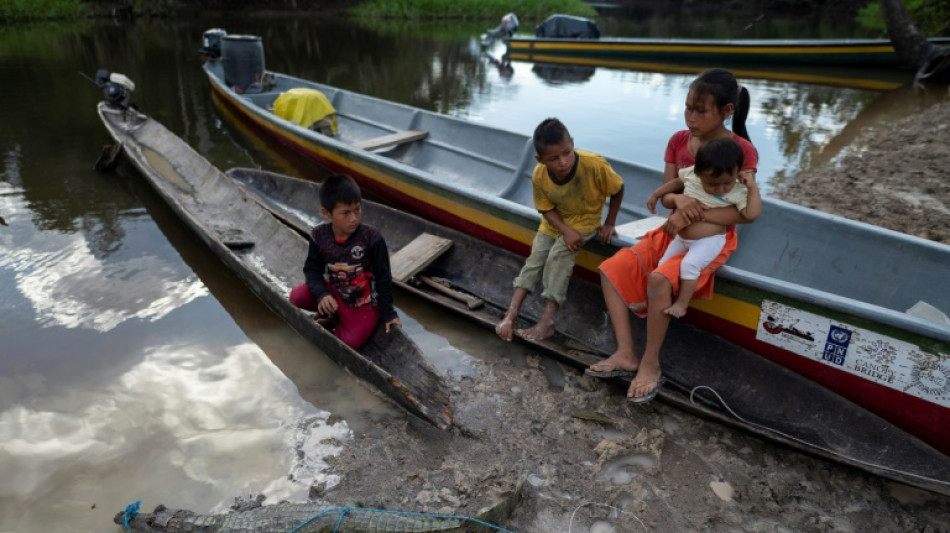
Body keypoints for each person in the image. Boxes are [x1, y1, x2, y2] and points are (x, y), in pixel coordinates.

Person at [586, 68, 758, 404]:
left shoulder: (739, 151)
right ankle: (626, 353)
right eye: (687, 108)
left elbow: (744, 211)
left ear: (726, 111)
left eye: (700, 110)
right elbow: (667, 196)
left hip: (711, 240)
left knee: (660, 280)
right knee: (611, 270)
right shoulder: (679, 141)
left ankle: (650, 364)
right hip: (671, 233)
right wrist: (678, 201)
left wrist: (696, 214)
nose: (691, 117)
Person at [495, 118, 625, 342]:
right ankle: (511, 314)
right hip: (555, 222)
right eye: (553, 159)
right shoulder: (539, 174)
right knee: (535, 259)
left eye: (567, 153)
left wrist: (610, 223)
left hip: (585, 219)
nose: (563, 162)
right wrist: (564, 229)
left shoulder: (594, 165)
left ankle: (547, 322)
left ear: (573, 143)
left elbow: (618, 189)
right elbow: (545, 208)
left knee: (558, 256)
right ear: (540, 159)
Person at [645, 137, 761, 318]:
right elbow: (677, 182)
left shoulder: (738, 190)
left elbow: (751, 215)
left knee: (689, 265)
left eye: (727, 183)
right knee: (661, 265)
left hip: (709, 241)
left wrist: (753, 187)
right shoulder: (692, 174)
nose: (721, 189)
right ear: (698, 173)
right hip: (682, 238)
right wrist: (656, 194)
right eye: (713, 184)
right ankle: (651, 301)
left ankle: (682, 305)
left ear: (737, 173)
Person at [288, 173, 401, 350]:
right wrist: (322, 294)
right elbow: (312, 271)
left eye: (357, 209)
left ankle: (336, 321)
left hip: (363, 304)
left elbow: (383, 277)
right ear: (326, 213)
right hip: (335, 294)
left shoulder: (371, 238)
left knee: (348, 343)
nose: (354, 218)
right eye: (345, 213)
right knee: (296, 296)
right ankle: (335, 317)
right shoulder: (319, 236)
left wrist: (389, 313)